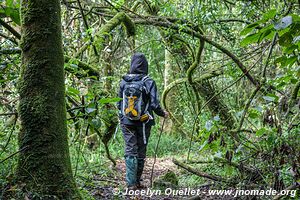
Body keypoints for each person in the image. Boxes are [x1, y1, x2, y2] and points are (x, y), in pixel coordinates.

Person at [117, 52, 168, 189]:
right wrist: (163, 114)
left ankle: (131, 183)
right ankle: (136, 181)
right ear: (145, 65)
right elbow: (154, 104)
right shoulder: (148, 81)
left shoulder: (123, 81)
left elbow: (119, 103)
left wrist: (121, 118)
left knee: (130, 149)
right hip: (144, 122)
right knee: (141, 149)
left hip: (126, 122)